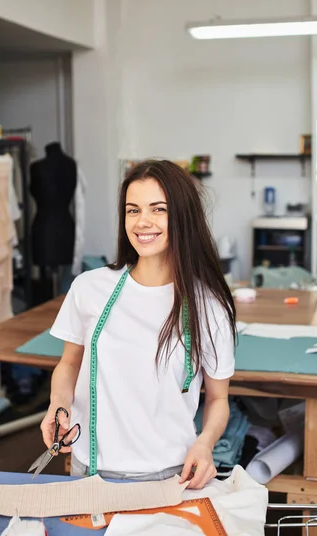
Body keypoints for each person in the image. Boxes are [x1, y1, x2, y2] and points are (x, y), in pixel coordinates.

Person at [41, 159, 236, 490]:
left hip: (170, 474)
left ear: (182, 216)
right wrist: (57, 403)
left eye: (158, 209)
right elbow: (69, 363)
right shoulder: (89, 288)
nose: (143, 222)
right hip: (88, 470)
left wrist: (205, 443)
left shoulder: (210, 306)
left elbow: (218, 399)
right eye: (133, 210)